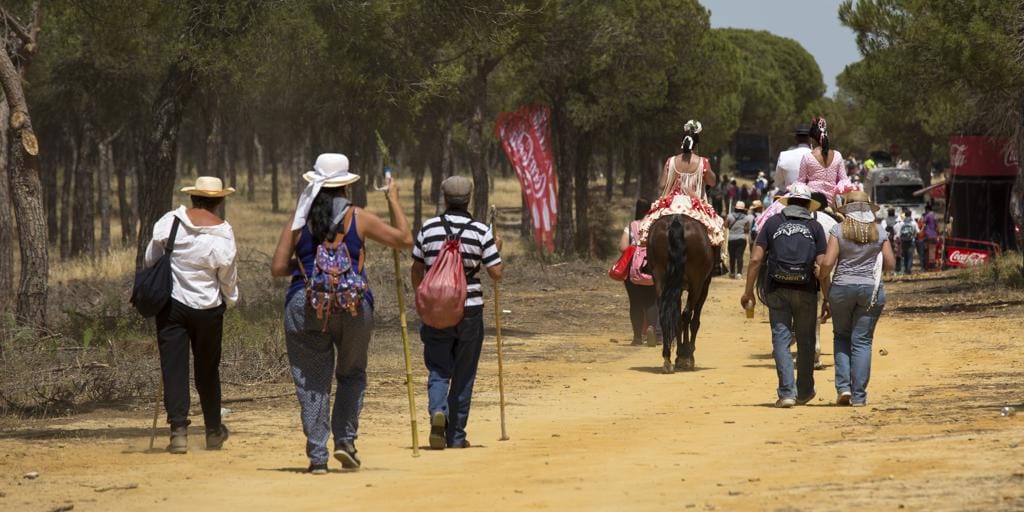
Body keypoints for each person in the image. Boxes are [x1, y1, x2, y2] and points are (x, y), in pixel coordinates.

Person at [270, 153, 413, 474]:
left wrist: (309, 266)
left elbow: (278, 268)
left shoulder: (298, 220)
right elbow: (404, 240)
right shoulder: (358, 218)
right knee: (352, 373)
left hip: (305, 306)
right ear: (345, 187)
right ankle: (345, 442)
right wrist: (393, 200)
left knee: (312, 381)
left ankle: (318, 456)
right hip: (353, 306)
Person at [144, 176, 239, 454]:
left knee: (174, 369)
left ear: (193, 198)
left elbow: (151, 259)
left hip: (172, 306)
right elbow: (227, 275)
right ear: (220, 200)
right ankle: (212, 431)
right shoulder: (224, 232)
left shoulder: (169, 222)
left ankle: (178, 433)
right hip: (209, 309)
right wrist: (229, 300)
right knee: (207, 371)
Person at [412, 175, 503, 450]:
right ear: (469, 198)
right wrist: (498, 250)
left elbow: (417, 268)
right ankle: (456, 436)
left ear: (445, 197)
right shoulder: (480, 230)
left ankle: (438, 411)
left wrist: (424, 295)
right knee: (464, 374)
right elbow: (496, 273)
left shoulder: (428, 229)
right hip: (470, 310)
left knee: (438, 368)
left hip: (436, 309)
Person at [741, 184, 827, 408]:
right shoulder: (815, 226)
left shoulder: (772, 223)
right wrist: (827, 296)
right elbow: (822, 266)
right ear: (808, 205)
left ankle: (787, 393)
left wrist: (748, 290)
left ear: (788, 203)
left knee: (780, 338)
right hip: (806, 289)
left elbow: (756, 259)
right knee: (806, 340)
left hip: (777, 288)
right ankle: (805, 390)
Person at [819, 191, 896, 406]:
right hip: (871, 290)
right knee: (862, 341)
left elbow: (828, 263)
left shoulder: (838, 230)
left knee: (841, 336)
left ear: (848, 209)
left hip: (842, 289)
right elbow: (890, 264)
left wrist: (821, 276)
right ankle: (860, 396)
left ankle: (844, 388)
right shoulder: (879, 232)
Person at [636, 120, 724, 246]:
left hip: (671, 203)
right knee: (715, 232)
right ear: (696, 145)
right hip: (693, 204)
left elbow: (661, 185)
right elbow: (712, 182)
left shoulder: (670, 161)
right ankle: (716, 264)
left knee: (648, 227)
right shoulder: (702, 162)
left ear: (682, 143)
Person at [757, 117, 848, 231]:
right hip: (831, 202)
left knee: (768, 220)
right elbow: (844, 182)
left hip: (811, 200)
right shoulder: (838, 155)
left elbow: (800, 183)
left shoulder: (808, 156)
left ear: (812, 139)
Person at [620, 199, 661, 346]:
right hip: (651, 270)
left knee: (635, 303)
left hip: (633, 272)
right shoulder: (656, 226)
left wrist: (635, 248)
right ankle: (654, 331)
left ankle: (637, 337)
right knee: (651, 301)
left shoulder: (631, 226)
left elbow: (623, 247)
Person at [772, 124, 813, 194]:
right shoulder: (818, 156)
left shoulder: (784, 155)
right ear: (810, 138)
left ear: (796, 138)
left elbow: (777, 182)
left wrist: (789, 188)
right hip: (812, 197)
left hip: (790, 196)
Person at [726, 201, 754, 279]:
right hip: (741, 239)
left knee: (732, 256)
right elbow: (747, 229)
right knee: (740, 256)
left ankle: (732, 272)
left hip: (731, 239)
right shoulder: (746, 218)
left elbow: (726, 225)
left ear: (735, 208)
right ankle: (739, 273)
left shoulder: (729, 216)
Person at [896, 208, 918, 274]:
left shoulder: (902, 223)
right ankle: (909, 269)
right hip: (911, 241)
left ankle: (906, 269)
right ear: (911, 215)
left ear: (905, 215)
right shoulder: (913, 223)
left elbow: (898, 234)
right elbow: (917, 232)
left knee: (905, 255)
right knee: (910, 256)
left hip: (904, 241)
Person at [922, 203, 939, 270]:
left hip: (928, 235)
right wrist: (937, 234)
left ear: (927, 209)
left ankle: (929, 266)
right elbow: (937, 226)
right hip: (934, 235)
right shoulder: (935, 215)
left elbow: (923, 223)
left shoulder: (928, 215)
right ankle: (932, 264)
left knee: (927, 250)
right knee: (933, 250)